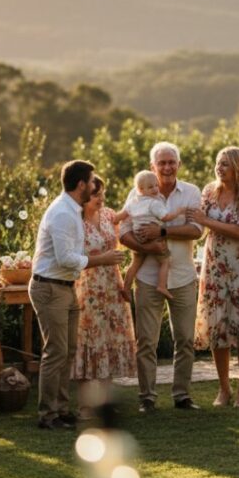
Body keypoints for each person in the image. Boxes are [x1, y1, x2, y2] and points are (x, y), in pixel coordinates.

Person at [29, 160, 123, 429]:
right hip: (49, 287)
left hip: (65, 287)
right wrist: (101, 259)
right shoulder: (62, 213)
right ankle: (47, 415)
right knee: (55, 352)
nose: (96, 186)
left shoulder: (74, 210)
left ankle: (60, 409)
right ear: (81, 184)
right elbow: (65, 257)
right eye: (93, 181)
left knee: (67, 351)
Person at [119, 142, 202, 412]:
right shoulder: (138, 192)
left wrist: (163, 233)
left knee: (185, 340)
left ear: (178, 164)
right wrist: (148, 247)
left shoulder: (190, 192)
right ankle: (147, 398)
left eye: (171, 162)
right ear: (152, 166)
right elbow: (123, 233)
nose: (167, 167)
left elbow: (196, 230)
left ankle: (182, 395)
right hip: (147, 276)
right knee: (146, 341)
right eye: (161, 163)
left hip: (183, 275)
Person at [188, 146, 239, 408]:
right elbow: (198, 225)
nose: (219, 168)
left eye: (225, 164)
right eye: (218, 163)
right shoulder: (209, 191)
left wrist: (207, 221)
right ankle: (224, 388)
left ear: (238, 167)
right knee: (217, 327)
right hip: (214, 268)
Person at [73, 176, 137, 420]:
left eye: (102, 194)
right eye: (95, 194)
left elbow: (132, 215)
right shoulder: (76, 221)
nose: (100, 199)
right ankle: (85, 405)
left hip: (112, 286)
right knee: (89, 342)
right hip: (87, 287)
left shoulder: (109, 215)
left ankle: (105, 401)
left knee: (110, 339)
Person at [118, 170, 187, 301]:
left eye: (156, 185)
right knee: (165, 261)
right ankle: (161, 285)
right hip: (152, 235)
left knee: (135, 263)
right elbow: (166, 217)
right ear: (140, 189)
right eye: (151, 187)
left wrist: (111, 218)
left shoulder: (133, 201)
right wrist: (178, 211)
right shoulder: (154, 203)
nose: (155, 189)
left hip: (138, 235)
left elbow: (121, 216)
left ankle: (126, 288)